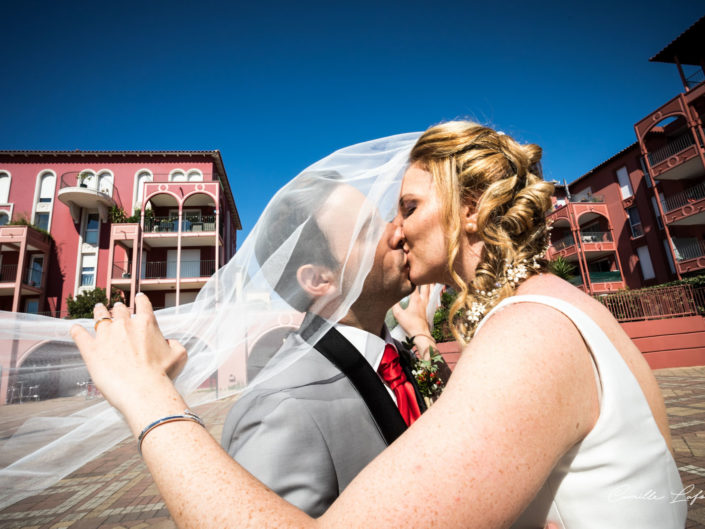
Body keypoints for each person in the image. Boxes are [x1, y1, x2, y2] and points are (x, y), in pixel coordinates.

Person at [70, 122, 686, 529]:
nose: (398, 228)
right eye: (386, 218)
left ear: (472, 210)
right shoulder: (549, 313)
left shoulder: (530, 335)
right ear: (317, 279)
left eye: (409, 207)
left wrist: (151, 399)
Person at [220, 173, 447, 516]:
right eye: (368, 231)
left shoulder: (395, 357)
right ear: (318, 280)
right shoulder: (281, 411)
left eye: (384, 220)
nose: (399, 231)